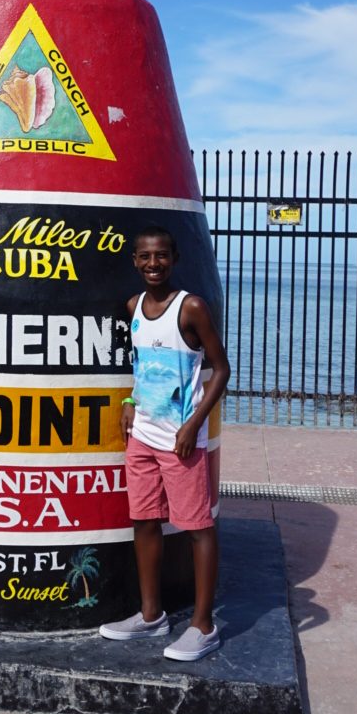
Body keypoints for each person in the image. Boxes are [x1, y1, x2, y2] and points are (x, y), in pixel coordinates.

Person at [99, 224, 231, 661]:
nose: (153, 264)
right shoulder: (133, 307)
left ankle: (203, 626)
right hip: (141, 438)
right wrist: (129, 400)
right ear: (134, 262)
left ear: (173, 259)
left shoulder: (190, 307)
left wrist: (194, 424)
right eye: (145, 257)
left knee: (197, 528)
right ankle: (151, 616)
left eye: (161, 256)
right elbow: (144, 367)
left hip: (180, 442)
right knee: (144, 522)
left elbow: (221, 369)